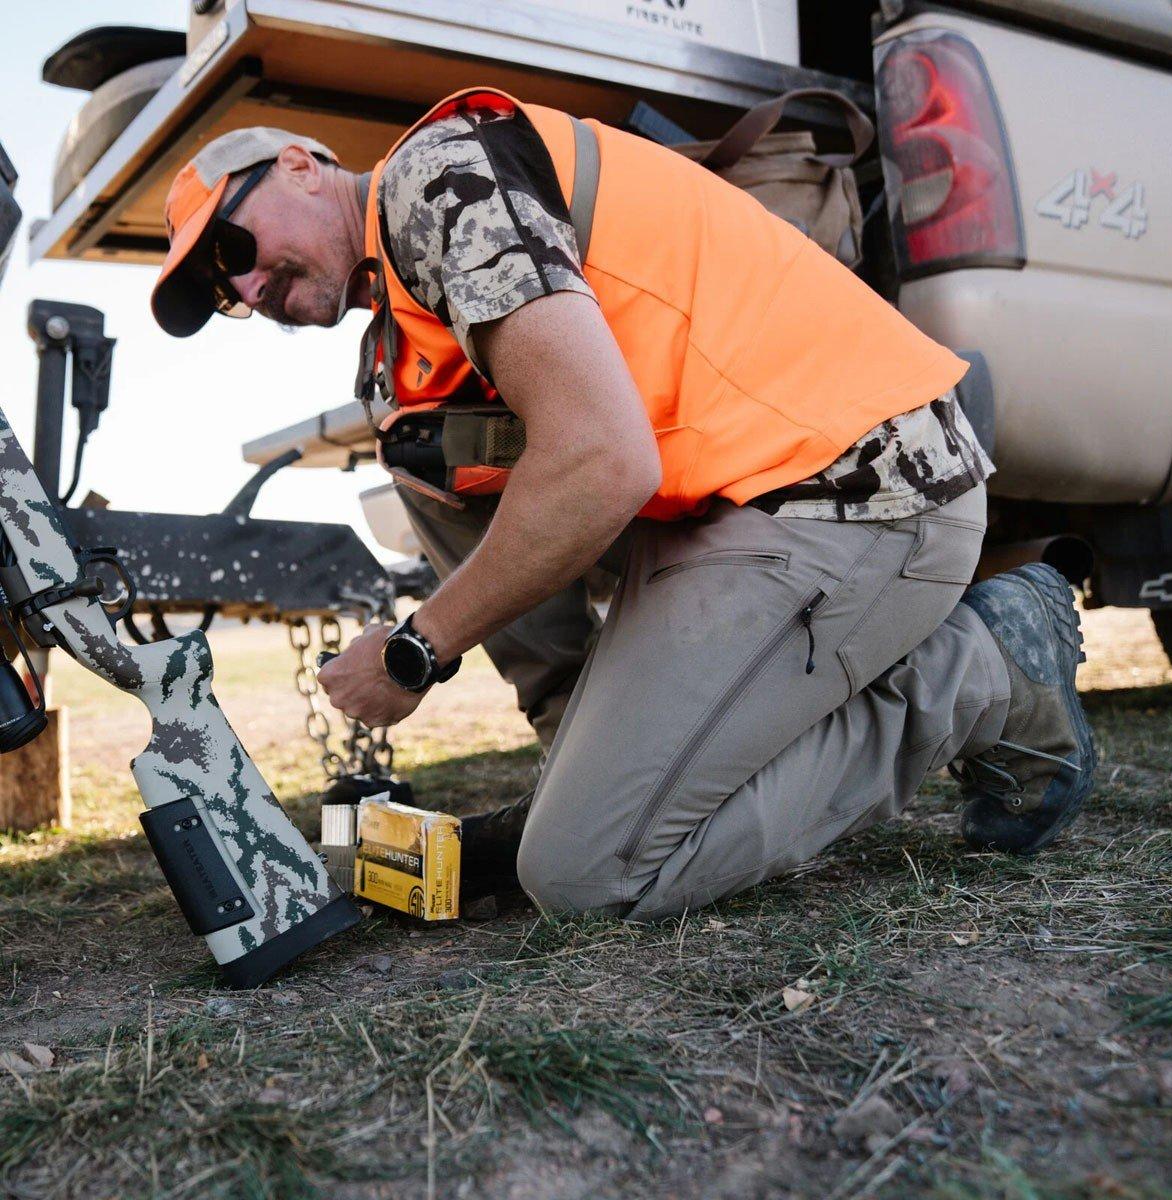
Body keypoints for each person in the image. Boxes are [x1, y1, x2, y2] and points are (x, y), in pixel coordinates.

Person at [149, 89, 1095, 919]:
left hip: (860, 481)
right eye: (224, 294)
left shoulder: (432, 180)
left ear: (300, 166)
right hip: (732, 505)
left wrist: (414, 648)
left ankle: (980, 669)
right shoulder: (398, 351)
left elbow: (600, 460)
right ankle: (588, 756)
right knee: (422, 448)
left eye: (233, 247)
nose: (248, 287)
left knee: (587, 872)